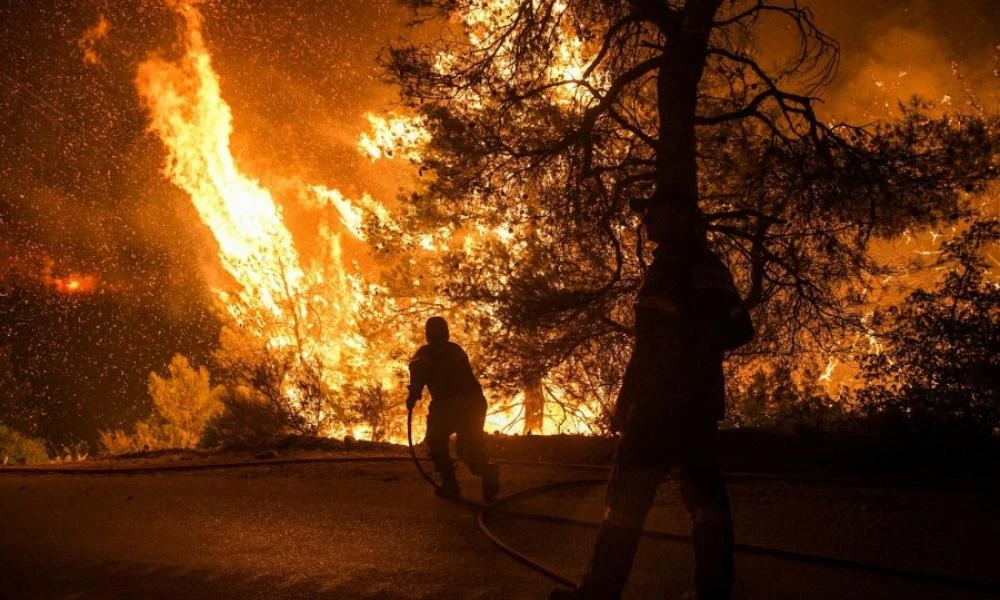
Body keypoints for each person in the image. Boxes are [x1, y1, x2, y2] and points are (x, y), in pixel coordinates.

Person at [551, 188, 754, 600]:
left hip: (660, 404)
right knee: (706, 500)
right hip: (701, 402)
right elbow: (740, 330)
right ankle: (715, 591)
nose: (646, 223)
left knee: (625, 499)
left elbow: (652, 341)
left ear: (678, 217)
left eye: (654, 214)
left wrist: (631, 401)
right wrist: (702, 345)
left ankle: (598, 593)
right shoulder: (713, 267)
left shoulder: (669, 267)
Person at [407, 316, 501, 502]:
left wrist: (411, 398)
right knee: (468, 449)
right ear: (446, 333)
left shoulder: (424, 356)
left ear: (428, 335)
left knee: (436, 442)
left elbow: (418, 377)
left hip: (450, 406)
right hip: (473, 404)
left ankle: (451, 485)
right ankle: (487, 472)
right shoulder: (455, 350)